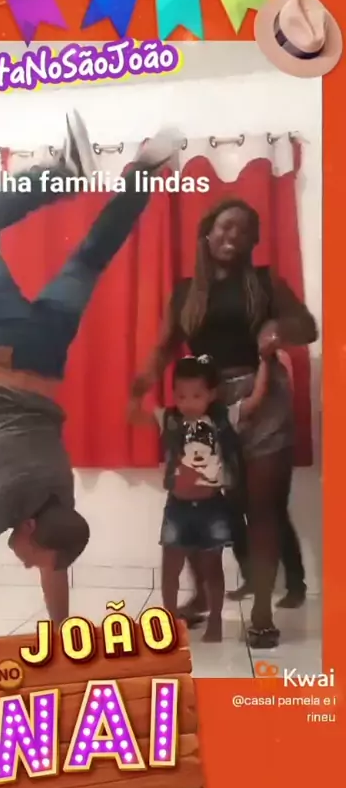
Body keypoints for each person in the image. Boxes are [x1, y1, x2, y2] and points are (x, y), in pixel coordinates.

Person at [0, 111, 181, 638]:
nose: (25, 562)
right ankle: (63, 171)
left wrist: (63, 631)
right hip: (1, 347)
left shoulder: (58, 499)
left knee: (91, 258)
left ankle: (145, 171)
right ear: (27, 526)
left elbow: (55, 564)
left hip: (48, 352)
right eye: (30, 555)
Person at [130, 198, 317, 649]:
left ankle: (261, 613)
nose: (233, 236)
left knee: (264, 508)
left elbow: (307, 326)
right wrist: (140, 386)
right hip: (210, 407)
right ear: (207, 233)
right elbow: (164, 347)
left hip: (263, 398)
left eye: (244, 230)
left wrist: (279, 329)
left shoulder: (265, 282)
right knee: (210, 508)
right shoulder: (186, 292)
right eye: (225, 227)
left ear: (254, 241)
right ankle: (202, 595)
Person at [129, 354, 269, 642]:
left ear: (211, 394)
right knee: (170, 567)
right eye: (181, 396)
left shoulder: (222, 418)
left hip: (211, 507)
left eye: (196, 395)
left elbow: (254, 402)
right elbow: (134, 417)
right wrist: (136, 394)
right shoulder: (169, 418)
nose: (188, 403)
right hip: (177, 507)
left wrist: (266, 363)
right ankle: (168, 622)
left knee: (211, 568)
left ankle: (215, 620)